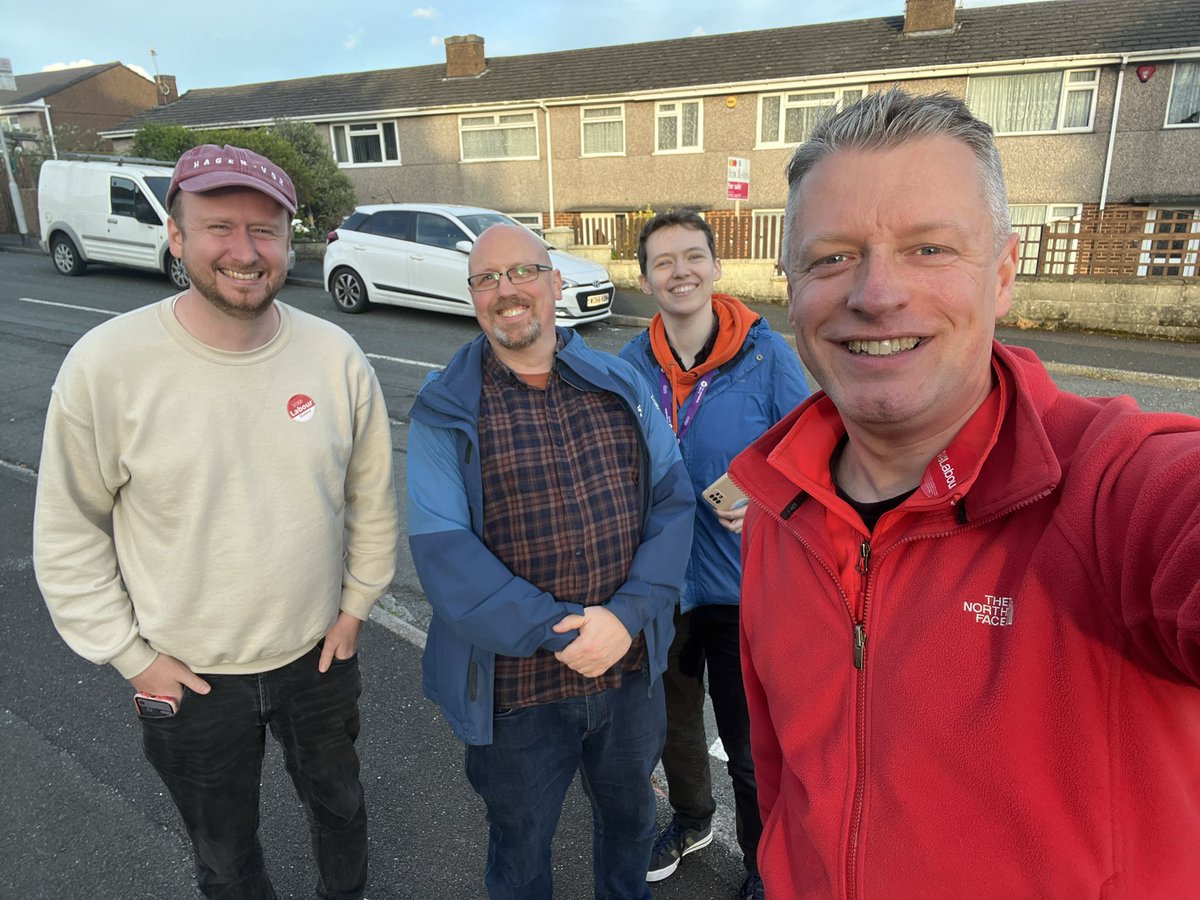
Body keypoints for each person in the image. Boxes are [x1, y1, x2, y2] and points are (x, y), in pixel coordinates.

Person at [729, 88, 1200, 898]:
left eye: (929, 249)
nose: (875, 294)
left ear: (1005, 274)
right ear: (790, 288)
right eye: (831, 256)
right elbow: (782, 779)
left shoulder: (1115, 487)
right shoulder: (778, 506)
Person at [33, 143, 398, 900]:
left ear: (289, 238)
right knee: (225, 853)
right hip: (187, 674)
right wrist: (129, 656)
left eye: (265, 230)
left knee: (341, 810)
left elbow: (370, 495)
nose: (244, 250)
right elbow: (69, 532)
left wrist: (359, 605)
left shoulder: (334, 355)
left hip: (316, 658)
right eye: (219, 227)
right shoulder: (108, 366)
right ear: (176, 236)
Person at [406, 223, 694, 900]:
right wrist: (566, 631)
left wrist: (624, 618)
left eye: (523, 273)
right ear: (474, 296)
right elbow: (446, 559)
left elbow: (674, 504)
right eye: (487, 279)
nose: (506, 292)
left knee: (630, 823)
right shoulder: (445, 408)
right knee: (521, 847)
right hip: (516, 698)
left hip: (628, 676)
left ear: (554, 282)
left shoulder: (618, 383)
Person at [618, 211, 808, 900]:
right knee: (673, 729)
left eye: (692, 256)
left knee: (751, 747)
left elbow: (812, 456)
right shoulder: (628, 369)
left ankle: (763, 867)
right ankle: (693, 820)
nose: (680, 272)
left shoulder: (766, 356)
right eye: (664, 262)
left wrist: (768, 506)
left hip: (741, 589)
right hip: (661, 589)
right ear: (644, 280)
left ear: (717, 268)